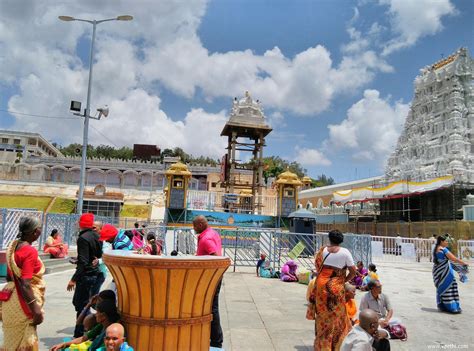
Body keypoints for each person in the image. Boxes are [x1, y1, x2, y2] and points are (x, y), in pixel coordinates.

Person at [1, 216, 45, 350]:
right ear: (36, 231)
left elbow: (10, 276)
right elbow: (25, 284)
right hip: (23, 301)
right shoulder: (29, 250)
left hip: (10, 300)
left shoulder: (13, 246)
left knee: (11, 340)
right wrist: (35, 309)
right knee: (26, 341)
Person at [312, 229, 356, 350]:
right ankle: (335, 346)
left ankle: (321, 345)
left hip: (320, 286)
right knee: (337, 318)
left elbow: (317, 267)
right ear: (341, 240)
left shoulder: (322, 251)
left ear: (329, 239)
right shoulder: (345, 252)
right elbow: (353, 271)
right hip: (336, 287)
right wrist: (343, 280)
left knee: (322, 316)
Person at [68, 213, 103, 338]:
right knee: (85, 303)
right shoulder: (97, 236)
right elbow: (97, 255)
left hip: (86, 276)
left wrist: (73, 279)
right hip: (95, 274)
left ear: (81, 224)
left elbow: (83, 262)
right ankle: (84, 332)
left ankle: (80, 334)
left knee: (81, 305)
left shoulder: (83, 238)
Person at [193, 215, 223, 349]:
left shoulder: (205, 239)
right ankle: (213, 337)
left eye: (194, 226)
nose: (193, 229)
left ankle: (216, 341)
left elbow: (215, 257)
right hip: (213, 276)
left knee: (212, 308)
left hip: (211, 277)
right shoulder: (213, 232)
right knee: (212, 307)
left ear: (200, 225)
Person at [50, 299, 120, 351]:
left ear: (103, 316)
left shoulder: (112, 331)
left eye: (97, 312)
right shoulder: (101, 325)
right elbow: (84, 338)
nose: (95, 315)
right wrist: (63, 344)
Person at [432, 235, 468, 314]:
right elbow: (453, 258)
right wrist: (463, 263)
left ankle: (443, 306)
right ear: (442, 241)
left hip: (438, 271)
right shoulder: (443, 249)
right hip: (445, 272)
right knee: (450, 286)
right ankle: (452, 307)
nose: (447, 242)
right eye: (446, 241)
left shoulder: (435, 248)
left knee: (442, 287)